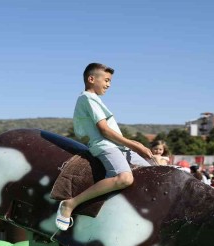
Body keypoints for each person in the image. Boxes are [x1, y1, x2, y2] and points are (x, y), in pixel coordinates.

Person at [55, 63, 152, 231]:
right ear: (91, 79)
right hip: (105, 145)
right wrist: (135, 145)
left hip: (118, 146)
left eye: (110, 81)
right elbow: (104, 130)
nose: (109, 85)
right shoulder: (87, 98)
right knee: (125, 178)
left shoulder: (96, 100)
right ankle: (69, 204)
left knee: (153, 169)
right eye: (106, 80)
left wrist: (135, 145)